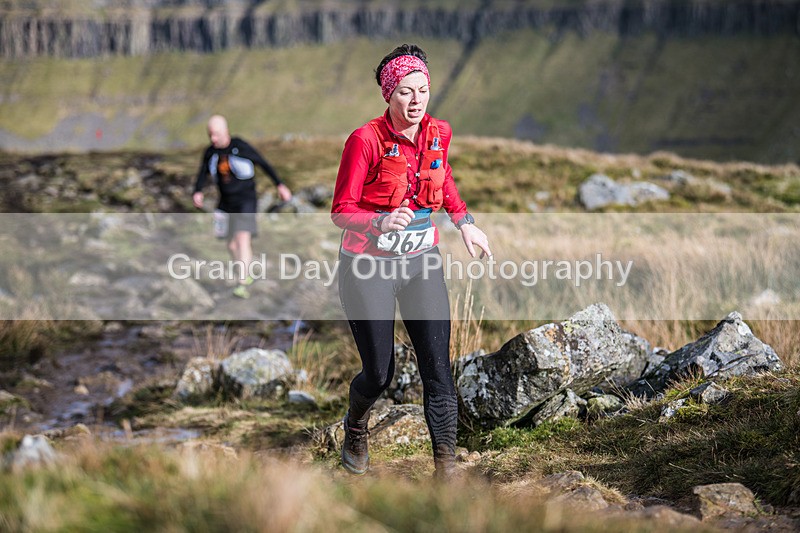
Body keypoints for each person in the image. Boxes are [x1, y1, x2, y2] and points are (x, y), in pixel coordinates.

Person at [331, 44, 491, 479]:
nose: (416, 100)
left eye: (422, 89)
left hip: (421, 261)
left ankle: (447, 475)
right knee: (378, 375)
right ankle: (356, 425)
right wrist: (380, 222)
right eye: (405, 91)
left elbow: (445, 177)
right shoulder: (365, 140)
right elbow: (340, 211)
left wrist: (465, 222)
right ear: (389, 95)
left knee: (439, 370)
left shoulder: (439, 132)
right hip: (367, 267)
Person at [193, 115, 292, 299]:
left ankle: (242, 281)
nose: (213, 139)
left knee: (242, 239)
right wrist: (197, 191)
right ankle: (245, 270)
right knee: (231, 244)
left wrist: (280, 185)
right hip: (225, 202)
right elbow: (202, 171)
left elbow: (263, 163)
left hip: (246, 200)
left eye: (216, 135)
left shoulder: (241, 146)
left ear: (225, 132)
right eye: (210, 135)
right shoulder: (210, 152)